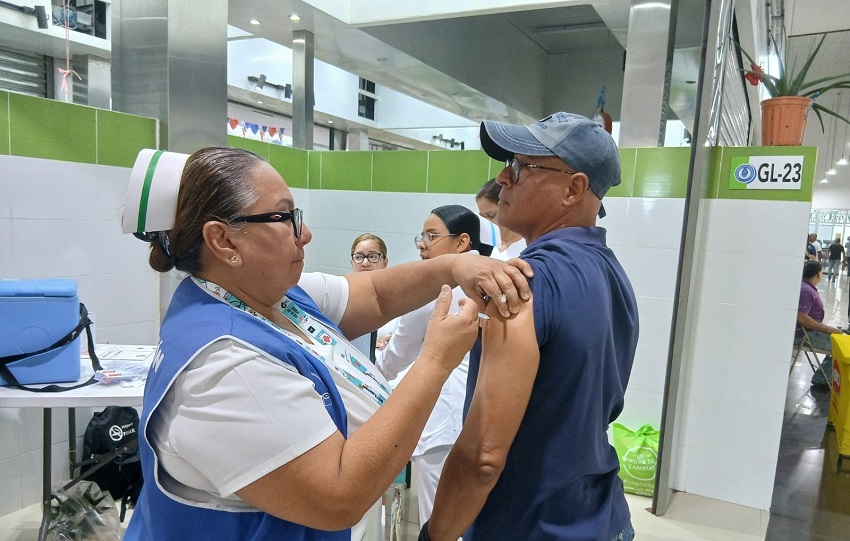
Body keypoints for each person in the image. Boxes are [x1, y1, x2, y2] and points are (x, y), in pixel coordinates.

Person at [122, 146, 533, 541]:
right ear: (224, 241)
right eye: (285, 217)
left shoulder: (274, 297)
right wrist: (436, 360)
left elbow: (377, 294)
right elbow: (338, 496)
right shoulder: (225, 367)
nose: (306, 234)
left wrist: (453, 265)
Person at [422, 112, 639, 541]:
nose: (503, 177)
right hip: (603, 518)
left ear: (574, 188)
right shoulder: (614, 275)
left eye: (522, 167)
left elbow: (483, 457)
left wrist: (435, 535)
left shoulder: (522, 286)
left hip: (529, 527)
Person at [376, 204, 494, 527]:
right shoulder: (491, 281)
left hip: (440, 423)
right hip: (483, 420)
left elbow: (394, 356)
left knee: (438, 521)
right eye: (422, 236)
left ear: (462, 243)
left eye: (432, 236)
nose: (422, 244)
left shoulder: (433, 291)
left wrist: (362, 371)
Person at [347, 233, 393, 360]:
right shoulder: (340, 296)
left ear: (385, 262)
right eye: (359, 257)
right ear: (352, 262)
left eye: (372, 256)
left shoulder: (399, 298)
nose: (365, 263)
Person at [796, 260, 844, 351]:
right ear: (818, 273)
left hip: (810, 331)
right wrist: (825, 328)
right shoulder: (806, 291)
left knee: (840, 338)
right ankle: (827, 366)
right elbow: (801, 318)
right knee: (842, 346)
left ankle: (827, 365)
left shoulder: (806, 287)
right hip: (805, 335)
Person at [475, 178, 526, 260]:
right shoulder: (484, 245)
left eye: (491, 215)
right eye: (483, 217)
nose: (487, 222)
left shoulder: (528, 245)